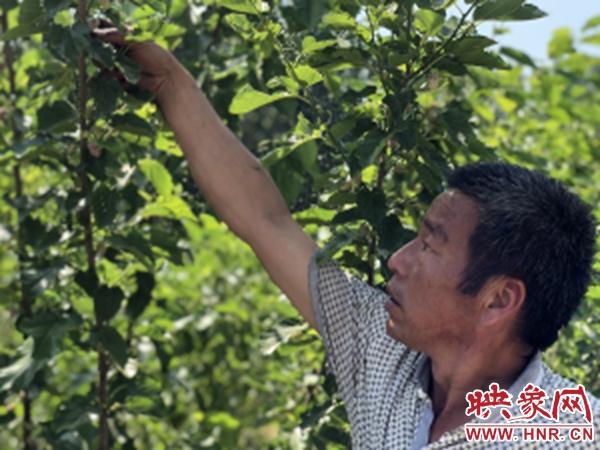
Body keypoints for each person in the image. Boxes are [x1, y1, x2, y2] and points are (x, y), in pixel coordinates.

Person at [93, 27, 599, 449]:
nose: (396, 262)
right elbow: (266, 221)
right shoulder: (381, 350)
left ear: (498, 300)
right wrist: (170, 83)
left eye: (429, 245)